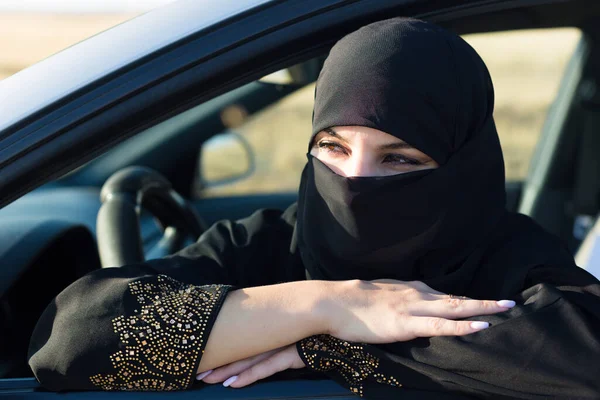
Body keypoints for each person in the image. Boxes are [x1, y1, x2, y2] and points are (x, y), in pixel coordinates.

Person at [28, 18, 600, 399]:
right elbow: (74, 336)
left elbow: (581, 356)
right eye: (333, 147)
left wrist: (324, 346)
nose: (353, 180)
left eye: (398, 158)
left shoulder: (513, 261)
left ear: (462, 166)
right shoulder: (268, 244)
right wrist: (325, 302)